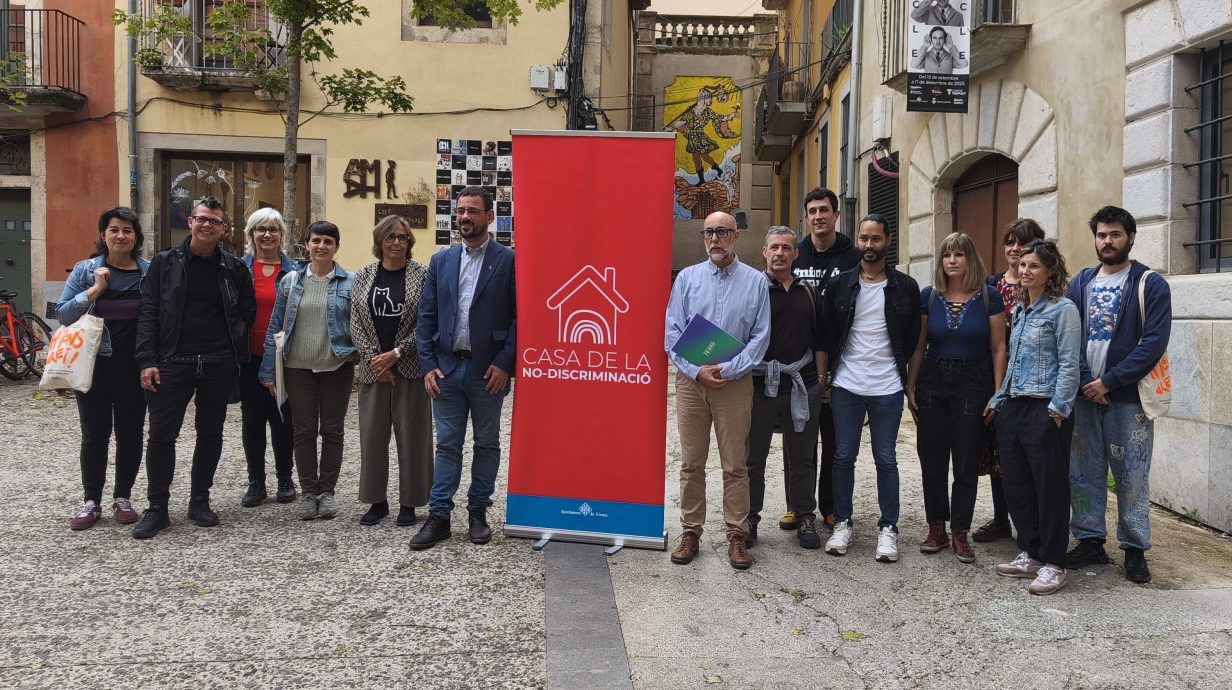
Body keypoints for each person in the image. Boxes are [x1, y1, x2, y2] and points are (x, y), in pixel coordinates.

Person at [133, 196, 256, 539]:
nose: (206, 225)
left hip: (217, 363)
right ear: (190, 222)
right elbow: (149, 313)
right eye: (201, 219)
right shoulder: (164, 263)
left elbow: (246, 313)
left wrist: (231, 353)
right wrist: (147, 360)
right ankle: (157, 508)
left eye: (214, 222)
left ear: (223, 229)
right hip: (172, 363)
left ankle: (199, 500)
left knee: (211, 434)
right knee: (160, 436)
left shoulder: (233, 268)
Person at [1065, 206, 1171, 584]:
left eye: (1114, 235)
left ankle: (1135, 547)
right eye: (1101, 235)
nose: (1106, 241)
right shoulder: (1080, 283)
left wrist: (1108, 382)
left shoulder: (1150, 284)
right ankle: (1090, 539)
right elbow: (1069, 336)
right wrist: (1083, 382)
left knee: (1131, 475)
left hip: (1127, 400)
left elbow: (1153, 343)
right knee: (1083, 473)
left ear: (1130, 238)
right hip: (1083, 396)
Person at [411, 186, 517, 550]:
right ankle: (439, 516)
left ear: (490, 217)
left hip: (489, 372)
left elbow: (522, 318)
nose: (465, 218)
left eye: (473, 211)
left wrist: (505, 362)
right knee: (448, 445)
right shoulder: (441, 261)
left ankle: (478, 512)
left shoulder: (509, 260)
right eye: (460, 212)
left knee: (486, 444)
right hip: (447, 369)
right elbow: (425, 316)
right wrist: (428, 365)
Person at [665, 211, 770, 569]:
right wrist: (697, 371)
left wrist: (728, 369)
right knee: (691, 463)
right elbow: (672, 333)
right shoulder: (687, 279)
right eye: (709, 232)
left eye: (722, 231)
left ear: (736, 236)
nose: (715, 239)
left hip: (735, 384)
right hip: (692, 384)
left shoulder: (756, 281)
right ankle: (691, 531)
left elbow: (760, 337)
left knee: (734, 464)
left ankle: (737, 536)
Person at [819, 214, 920, 563]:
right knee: (843, 455)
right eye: (864, 238)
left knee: (886, 458)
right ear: (858, 240)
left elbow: (911, 341)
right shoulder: (842, 284)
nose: (869, 245)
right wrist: (824, 377)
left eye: (876, 239)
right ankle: (843, 523)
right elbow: (827, 334)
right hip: (847, 384)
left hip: (887, 385)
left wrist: (908, 383)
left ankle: (888, 528)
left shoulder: (905, 287)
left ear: (887, 241)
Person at [906, 233, 1007, 563]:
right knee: (932, 459)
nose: (952, 260)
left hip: (973, 380)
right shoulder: (929, 297)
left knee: (965, 460)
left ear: (970, 259)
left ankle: (961, 532)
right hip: (933, 379)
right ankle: (937, 527)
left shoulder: (989, 297)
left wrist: (997, 392)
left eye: (959, 255)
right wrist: (911, 385)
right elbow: (919, 346)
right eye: (946, 254)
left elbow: (998, 348)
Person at [988, 239, 1080, 596]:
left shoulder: (1063, 310)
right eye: (1023, 265)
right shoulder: (1021, 310)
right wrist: (1000, 400)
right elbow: (1013, 360)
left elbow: (1071, 364)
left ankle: (1055, 563)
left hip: (1046, 409)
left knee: (1050, 487)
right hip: (1014, 407)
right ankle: (1030, 553)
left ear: (1050, 271)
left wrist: (1057, 410)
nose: (1025, 271)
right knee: (1018, 484)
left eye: (1034, 266)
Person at [58, 207, 150, 530]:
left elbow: (157, 319)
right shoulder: (86, 271)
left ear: (136, 237)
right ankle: (91, 501)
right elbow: (63, 314)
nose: (120, 236)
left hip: (133, 368)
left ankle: (122, 497)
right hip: (94, 366)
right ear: (103, 235)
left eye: (127, 230)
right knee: (94, 434)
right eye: (114, 230)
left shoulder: (148, 273)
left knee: (130, 433)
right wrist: (94, 291)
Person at [260, 221, 357, 522]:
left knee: (332, 430)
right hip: (296, 367)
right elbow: (275, 326)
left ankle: (326, 492)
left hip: (335, 365)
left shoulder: (350, 282)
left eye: (328, 241)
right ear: (307, 245)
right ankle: (308, 492)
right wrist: (268, 372)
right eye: (316, 241)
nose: (322, 247)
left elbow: (358, 327)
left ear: (336, 247)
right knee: (303, 430)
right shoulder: (290, 281)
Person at [786, 187, 860, 533]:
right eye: (812, 211)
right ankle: (796, 506)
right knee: (799, 438)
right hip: (799, 363)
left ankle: (830, 507)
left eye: (824, 210)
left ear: (835, 215)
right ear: (806, 216)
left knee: (834, 440)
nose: (818, 216)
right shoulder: (794, 255)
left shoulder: (853, 258)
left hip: (842, 362)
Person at [745, 227, 824, 550]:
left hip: (800, 384)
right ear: (764, 252)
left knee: (803, 456)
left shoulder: (809, 292)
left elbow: (821, 337)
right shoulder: (752, 290)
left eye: (786, 248)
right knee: (753, 458)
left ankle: (805, 515)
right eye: (774, 247)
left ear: (796, 254)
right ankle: (749, 519)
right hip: (759, 385)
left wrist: (820, 379)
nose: (780, 253)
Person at [351, 215, 433, 527]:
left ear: (409, 242)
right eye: (390, 237)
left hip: (410, 370)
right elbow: (355, 321)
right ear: (380, 241)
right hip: (374, 372)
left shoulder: (422, 276)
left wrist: (396, 354)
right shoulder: (364, 275)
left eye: (402, 237)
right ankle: (377, 502)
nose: (397, 243)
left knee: (413, 439)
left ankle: (410, 504)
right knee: (372, 438)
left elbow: (427, 321)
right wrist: (375, 358)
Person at [974, 218, 1045, 543]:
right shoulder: (992, 285)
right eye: (1010, 243)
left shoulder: (1043, 289)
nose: (1015, 249)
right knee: (998, 454)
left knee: (1030, 457)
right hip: (999, 381)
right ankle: (1002, 520)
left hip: (1034, 383)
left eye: (1022, 242)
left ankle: (1033, 526)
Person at [239, 208, 298, 508]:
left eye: (273, 229)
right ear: (251, 234)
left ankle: (285, 479)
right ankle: (256, 482)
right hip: (249, 356)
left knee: (282, 419)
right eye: (260, 229)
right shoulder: (238, 269)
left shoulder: (294, 271)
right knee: (252, 420)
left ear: (281, 235)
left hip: (282, 358)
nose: (267, 235)